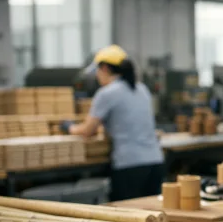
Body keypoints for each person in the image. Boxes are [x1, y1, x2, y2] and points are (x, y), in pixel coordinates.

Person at [67, 44, 165, 201]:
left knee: (127, 219)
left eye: (98, 71)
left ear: (105, 68)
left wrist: (69, 128)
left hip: (129, 166)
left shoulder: (106, 93)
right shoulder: (142, 89)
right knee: (151, 218)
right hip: (155, 163)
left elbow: (87, 131)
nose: (97, 77)